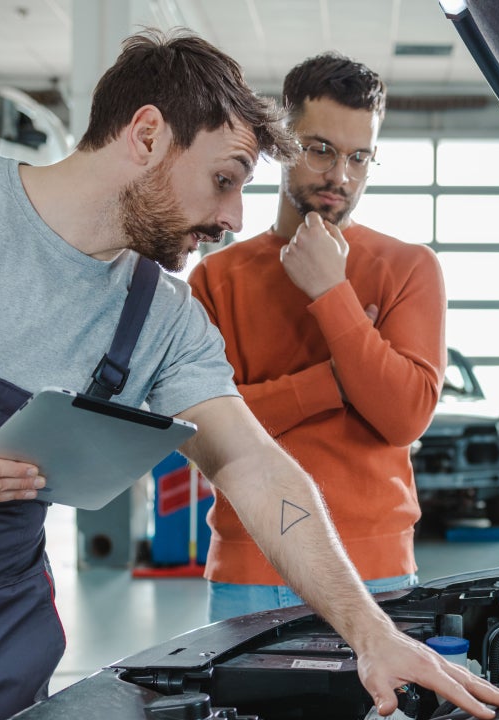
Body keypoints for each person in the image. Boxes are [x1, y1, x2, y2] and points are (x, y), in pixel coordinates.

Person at [0, 29, 499, 720]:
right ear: (147, 135)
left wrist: (370, 631)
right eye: (225, 178)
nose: (237, 218)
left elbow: (249, 462)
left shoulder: (162, 316)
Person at [188, 53, 446, 621]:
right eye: (321, 149)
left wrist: (331, 292)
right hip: (250, 570)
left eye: (359, 157)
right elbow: (206, 435)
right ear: (281, 142)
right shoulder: (216, 278)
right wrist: (337, 381)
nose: (341, 177)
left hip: (377, 573)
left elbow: (403, 416)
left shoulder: (408, 267)